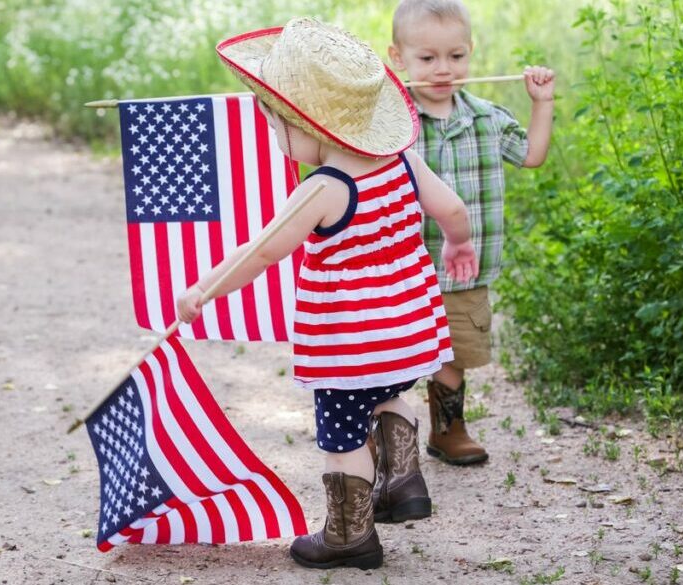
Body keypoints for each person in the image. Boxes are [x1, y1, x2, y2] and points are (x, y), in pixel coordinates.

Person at [177, 17, 476, 570]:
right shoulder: (401, 160)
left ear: (306, 125)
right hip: (407, 331)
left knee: (341, 431)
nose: (275, 138)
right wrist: (458, 245)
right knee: (387, 391)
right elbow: (453, 210)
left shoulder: (324, 188)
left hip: (351, 342)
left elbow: (264, 250)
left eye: (276, 127)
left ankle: (349, 536)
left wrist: (205, 288)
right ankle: (403, 483)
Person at [387, 0, 556, 465]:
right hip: (402, 267)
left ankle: (448, 430)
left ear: (470, 52)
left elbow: (533, 155)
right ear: (397, 57)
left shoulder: (487, 117)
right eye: (428, 58)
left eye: (456, 56)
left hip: (466, 267)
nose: (444, 70)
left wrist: (542, 103)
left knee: (455, 350)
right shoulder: (389, 126)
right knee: (396, 354)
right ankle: (386, 438)